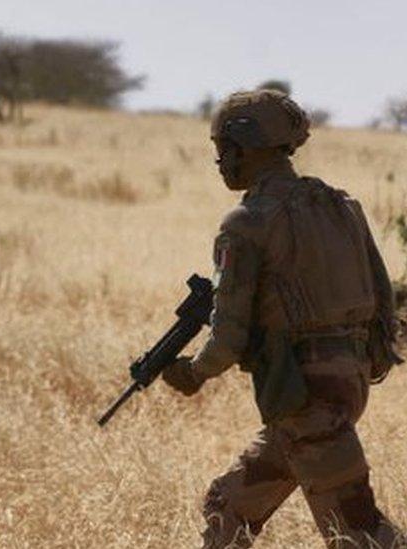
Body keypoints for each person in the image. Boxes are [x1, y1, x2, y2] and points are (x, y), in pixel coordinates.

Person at [160, 89, 404, 548]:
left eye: (223, 150)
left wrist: (193, 372)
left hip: (305, 395)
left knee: (358, 533)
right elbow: (382, 295)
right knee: (227, 507)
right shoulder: (340, 205)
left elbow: (228, 334)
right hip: (342, 385)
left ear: (244, 147)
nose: (220, 162)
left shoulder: (247, 222)